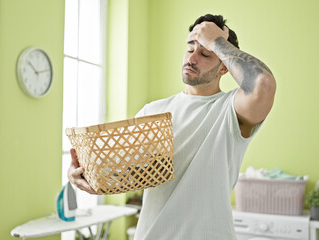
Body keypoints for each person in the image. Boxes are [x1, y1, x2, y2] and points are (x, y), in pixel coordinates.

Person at [68, 14, 276, 239]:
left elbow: (262, 84)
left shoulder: (229, 110)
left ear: (224, 68)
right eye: (190, 48)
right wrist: (81, 173)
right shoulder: (152, 111)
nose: (192, 58)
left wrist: (217, 42)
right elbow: (120, 173)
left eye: (205, 53)